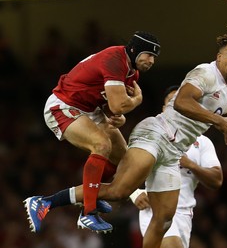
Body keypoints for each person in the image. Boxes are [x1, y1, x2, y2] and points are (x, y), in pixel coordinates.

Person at [95, 26, 227, 248]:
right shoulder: (204, 75)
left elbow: (217, 172)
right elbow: (185, 101)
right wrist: (136, 193)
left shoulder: (225, 93)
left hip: (183, 210)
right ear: (218, 56)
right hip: (157, 185)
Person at [98, 85, 223, 248]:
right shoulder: (153, 134)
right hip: (156, 212)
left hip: (185, 214)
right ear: (164, 109)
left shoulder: (202, 141)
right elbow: (123, 162)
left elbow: (217, 179)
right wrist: (134, 194)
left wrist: (190, 164)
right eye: (171, 103)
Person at [23, 31, 161, 234]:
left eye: (154, 57)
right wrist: (135, 102)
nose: (151, 61)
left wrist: (119, 116)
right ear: (134, 50)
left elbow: (113, 108)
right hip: (63, 106)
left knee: (125, 161)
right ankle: (89, 212)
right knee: (102, 145)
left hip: (90, 110)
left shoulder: (133, 72)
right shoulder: (116, 60)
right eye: (147, 54)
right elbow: (119, 104)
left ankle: (47, 202)